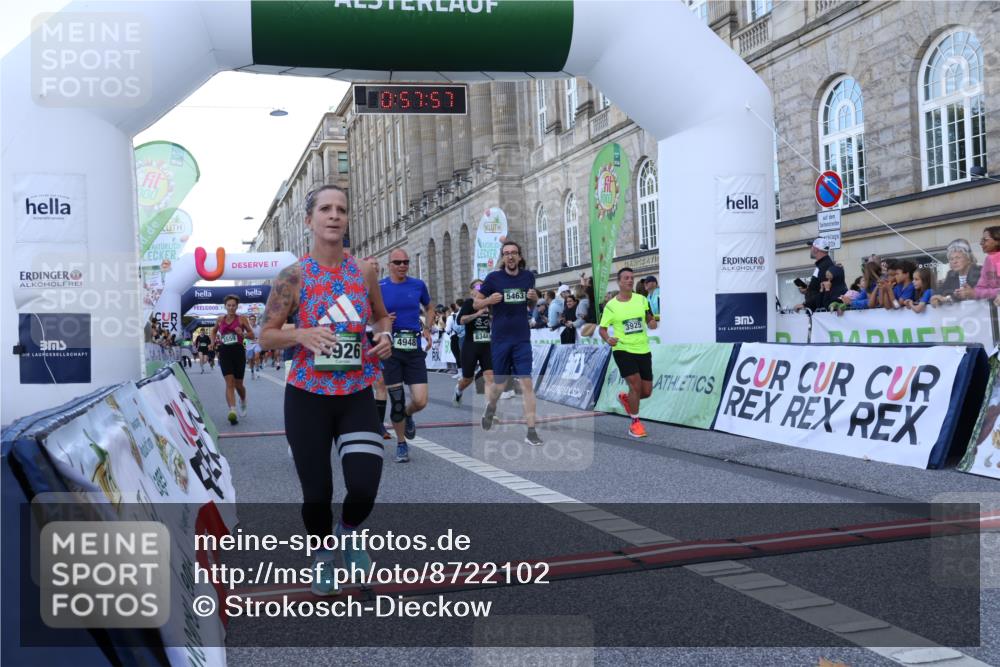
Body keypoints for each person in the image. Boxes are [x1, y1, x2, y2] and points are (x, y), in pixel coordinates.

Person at [258, 185, 393, 597]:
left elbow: (381, 318)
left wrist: (384, 337)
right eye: (326, 209)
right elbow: (265, 336)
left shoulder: (364, 271)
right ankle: (321, 554)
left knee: (365, 485)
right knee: (317, 493)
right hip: (307, 398)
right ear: (309, 220)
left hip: (355, 393)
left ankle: (348, 532)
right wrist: (302, 333)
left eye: (342, 210)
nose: (334, 216)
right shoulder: (292, 277)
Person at [473, 240, 543, 446]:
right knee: (500, 384)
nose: (510, 256)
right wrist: (488, 301)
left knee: (526, 383)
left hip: (522, 337)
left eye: (514, 253)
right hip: (501, 338)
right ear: (502, 258)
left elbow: (530, 302)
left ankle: (531, 431)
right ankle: (491, 407)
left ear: (520, 256)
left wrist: (533, 298)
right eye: (506, 253)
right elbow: (476, 302)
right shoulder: (494, 278)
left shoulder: (528, 277)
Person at [379, 248, 432, 463]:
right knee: (397, 401)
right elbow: (368, 314)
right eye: (398, 262)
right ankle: (401, 443)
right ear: (389, 265)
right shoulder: (380, 287)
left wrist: (427, 328)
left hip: (413, 348)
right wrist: (382, 320)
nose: (402, 265)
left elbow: (429, 308)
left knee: (420, 401)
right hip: (390, 348)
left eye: (406, 262)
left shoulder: (418, 285)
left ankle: (409, 415)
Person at [599, 267, 658, 438]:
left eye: (632, 278)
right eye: (626, 278)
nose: (630, 280)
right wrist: (608, 339)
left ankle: (626, 398)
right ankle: (635, 424)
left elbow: (649, 317)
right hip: (623, 349)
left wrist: (652, 322)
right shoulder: (611, 306)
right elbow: (602, 329)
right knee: (635, 385)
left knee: (646, 392)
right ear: (619, 282)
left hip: (643, 349)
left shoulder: (641, 299)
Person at [209, 295, 255, 425]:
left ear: (237, 306)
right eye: (229, 305)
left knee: (238, 384)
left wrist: (243, 334)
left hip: (238, 352)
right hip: (225, 352)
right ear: (225, 306)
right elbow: (213, 332)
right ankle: (232, 411)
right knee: (229, 382)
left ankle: (243, 400)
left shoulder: (242, 319)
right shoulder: (220, 319)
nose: (231, 307)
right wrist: (212, 342)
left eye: (233, 305)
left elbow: (252, 335)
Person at [363, 256, 392, 440]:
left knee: (381, 383)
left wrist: (386, 322)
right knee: (362, 385)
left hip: (377, 337)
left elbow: (383, 315)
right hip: (358, 337)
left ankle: (379, 425)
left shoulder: (383, 288)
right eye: (370, 265)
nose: (374, 267)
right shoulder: (354, 285)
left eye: (376, 265)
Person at [453, 279, 493, 405]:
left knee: (490, 377)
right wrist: (478, 314)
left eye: (483, 287)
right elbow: (461, 320)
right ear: (471, 291)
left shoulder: (489, 303)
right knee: (467, 379)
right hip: (471, 346)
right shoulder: (469, 304)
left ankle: (490, 410)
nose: (481, 289)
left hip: (486, 345)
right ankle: (458, 390)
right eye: (478, 287)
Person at [932, 239, 981, 306]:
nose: (954, 261)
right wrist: (935, 297)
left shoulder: (980, 271)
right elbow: (942, 291)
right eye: (951, 259)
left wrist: (972, 293)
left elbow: (990, 292)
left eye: (958, 257)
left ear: (968, 258)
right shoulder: (951, 274)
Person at [956, 227, 1000, 301]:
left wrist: (975, 293)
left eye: (985, 240)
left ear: (998, 241)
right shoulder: (988, 260)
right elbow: (981, 288)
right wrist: (971, 292)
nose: (981, 243)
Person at [796, 238, 836, 311]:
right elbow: (817, 288)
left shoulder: (824, 266)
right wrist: (807, 290)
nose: (810, 249)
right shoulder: (822, 265)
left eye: (811, 247)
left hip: (822, 313)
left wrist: (805, 305)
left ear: (816, 249)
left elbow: (823, 292)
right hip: (818, 311)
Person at [245, 314, 264, 379]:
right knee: (250, 359)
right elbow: (244, 336)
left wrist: (259, 339)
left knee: (257, 356)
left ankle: (257, 369)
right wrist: (249, 337)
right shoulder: (247, 328)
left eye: (253, 319)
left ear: (255, 320)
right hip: (249, 345)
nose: (252, 321)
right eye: (251, 319)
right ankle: (252, 371)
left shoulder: (259, 327)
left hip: (257, 344)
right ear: (249, 320)